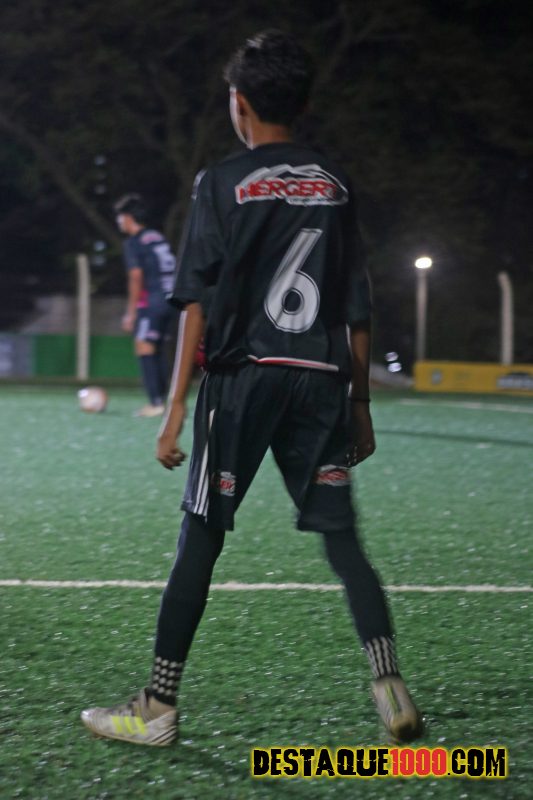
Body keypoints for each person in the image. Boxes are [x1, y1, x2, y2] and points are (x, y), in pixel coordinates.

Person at [82, 30, 423, 747]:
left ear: (239, 103)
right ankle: (388, 680)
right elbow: (356, 302)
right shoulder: (335, 182)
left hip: (243, 382)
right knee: (343, 543)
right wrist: (359, 404)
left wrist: (174, 408)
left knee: (201, 537)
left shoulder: (221, 182)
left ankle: (157, 706)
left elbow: (195, 303)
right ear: (302, 104)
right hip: (320, 383)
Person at [114, 193, 176, 417]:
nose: (118, 221)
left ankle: (155, 403)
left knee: (144, 346)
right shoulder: (157, 237)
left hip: (152, 301)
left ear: (129, 217)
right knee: (159, 349)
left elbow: (136, 276)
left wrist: (131, 313)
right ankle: (166, 401)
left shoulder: (134, 242)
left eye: (120, 216)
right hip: (171, 299)